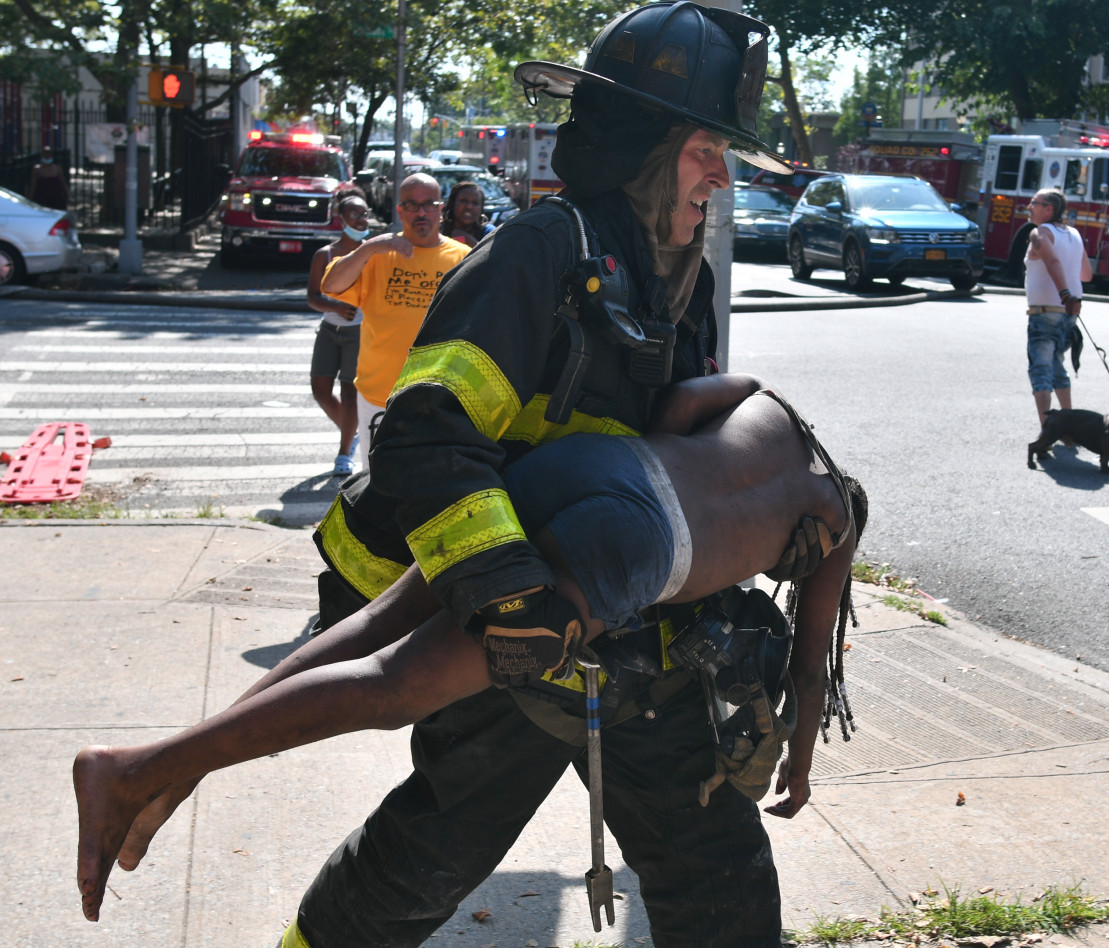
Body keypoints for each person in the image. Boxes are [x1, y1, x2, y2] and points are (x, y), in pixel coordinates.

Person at [278, 4, 801, 945]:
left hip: (619, 629)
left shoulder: (684, 279)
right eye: (703, 149)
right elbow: (426, 434)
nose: (721, 176)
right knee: (423, 860)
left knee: (719, 873)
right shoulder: (537, 253)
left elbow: (664, 459)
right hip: (499, 629)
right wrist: (512, 600)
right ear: (645, 146)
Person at [73, 373, 866, 927]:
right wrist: (798, 759)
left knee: (373, 626)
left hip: (590, 466)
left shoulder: (778, 415)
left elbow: (680, 399)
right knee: (399, 683)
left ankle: (179, 764)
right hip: (638, 546)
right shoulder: (835, 522)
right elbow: (808, 657)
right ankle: (131, 770)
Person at [320, 173, 469, 469]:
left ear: (441, 209)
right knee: (376, 484)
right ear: (399, 210)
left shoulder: (463, 258)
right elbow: (332, 286)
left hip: (438, 399)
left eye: (429, 204)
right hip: (379, 394)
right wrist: (370, 247)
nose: (421, 213)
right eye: (412, 205)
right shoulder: (377, 254)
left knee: (428, 487)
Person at [306, 191, 370, 476]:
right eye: (355, 214)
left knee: (349, 393)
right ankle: (351, 431)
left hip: (358, 333)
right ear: (340, 218)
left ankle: (344, 453)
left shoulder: (372, 253)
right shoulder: (325, 254)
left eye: (364, 213)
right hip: (329, 330)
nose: (361, 219)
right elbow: (312, 297)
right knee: (320, 390)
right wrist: (333, 305)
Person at [1025, 187, 1092, 428]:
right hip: (1069, 313)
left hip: (1046, 311)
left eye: (1034, 203)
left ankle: (1049, 430)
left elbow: (1052, 261)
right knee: (1057, 368)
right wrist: (1070, 292)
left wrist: (1064, 293)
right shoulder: (1073, 233)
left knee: (1041, 370)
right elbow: (1086, 274)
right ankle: (1069, 427)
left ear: (1049, 209)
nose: (1029, 207)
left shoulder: (1040, 233)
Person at [440, 180, 495, 248]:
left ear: (481, 208)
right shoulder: (438, 230)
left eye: (475, 203)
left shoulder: (489, 232)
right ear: (452, 203)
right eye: (463, 201)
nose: (469, 206)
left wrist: (468, 240)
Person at [28, 145, 69, 210]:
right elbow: (33, 185)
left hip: (56, 198)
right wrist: (30, 199)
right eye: (45, 154)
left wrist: (68, 195)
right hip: (42, 199)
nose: (47, 156)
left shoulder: (57, 168)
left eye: (49, 154)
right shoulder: (37, 169)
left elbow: (63, 182)